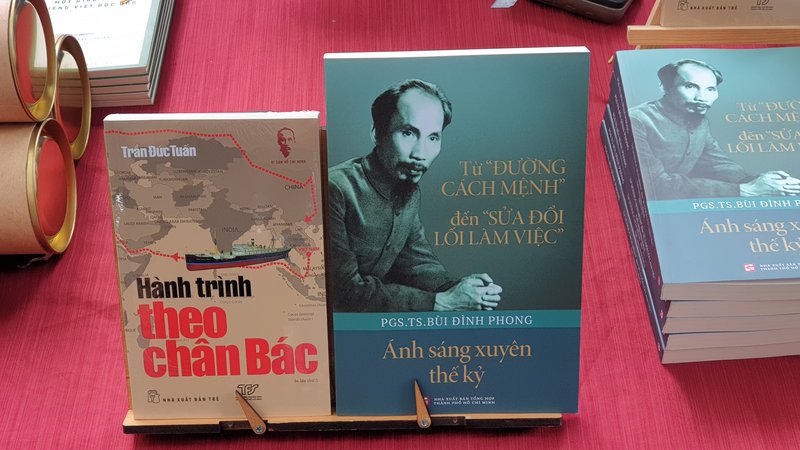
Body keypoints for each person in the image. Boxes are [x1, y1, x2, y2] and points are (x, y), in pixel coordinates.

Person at [326, 79, 503, 312]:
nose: (421, 153)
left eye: (433, 138)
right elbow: (345, 292)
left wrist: (461, 289)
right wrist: (441, 301)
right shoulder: (334, 188)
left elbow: (416, 263)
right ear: (377, 133)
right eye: (408, 133)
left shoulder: (408, 190)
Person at [629, 59, 800, 200]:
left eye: (710, 89)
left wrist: (761, 181)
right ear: (665, 87)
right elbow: (656, 184)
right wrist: (745, 190)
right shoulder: (637, 120)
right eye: (690, 86)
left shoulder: (699, 121)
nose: (702, 98)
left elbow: (716, 164)